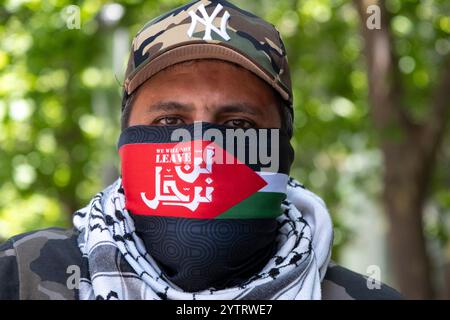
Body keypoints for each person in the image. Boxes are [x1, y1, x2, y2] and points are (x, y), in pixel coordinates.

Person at [0, 0, 402, 300]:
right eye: (170, 122)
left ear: (283, 146)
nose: (202, 150)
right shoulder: (19, 276)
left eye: (238, 125)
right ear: (125, 139)